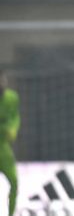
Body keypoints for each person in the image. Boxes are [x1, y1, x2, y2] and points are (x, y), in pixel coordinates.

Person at [0, 70, 19, 216]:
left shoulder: (12, 98)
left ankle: (11, 214)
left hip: (3, 149)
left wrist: (13, 129)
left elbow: (15, 118)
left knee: (14, 181)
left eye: (3, 79)